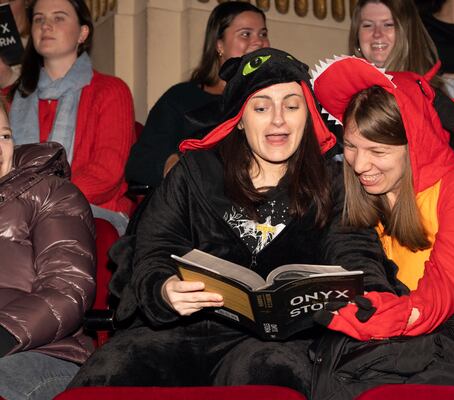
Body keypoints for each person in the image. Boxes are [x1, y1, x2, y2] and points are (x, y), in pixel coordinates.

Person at [68, 48, 401, 394]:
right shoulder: (194, 173)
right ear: (240, 118)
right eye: (261, 107)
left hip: (284, 342)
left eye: (291, 105)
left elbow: (355, 253)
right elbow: (154, 251)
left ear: (308, 114)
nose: (278, 121)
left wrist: (370, 298)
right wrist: (165, 290)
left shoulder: (331, 183)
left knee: (272, 371)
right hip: (184, 333)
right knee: (112, 370)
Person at [311, 56, 454, 339]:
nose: (358, 165)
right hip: (395, 334)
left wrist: (402, 315)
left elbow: (447, 283)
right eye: (352, 147)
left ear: (414, 145)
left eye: (377, 152)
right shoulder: (354, 189)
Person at [9, 0, 136, 235]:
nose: (46, 25)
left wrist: (41, 198)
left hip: (92, 215)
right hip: (16, 214)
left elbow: (106, 174)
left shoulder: (110, 91)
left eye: (58, 18)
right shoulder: (12, 98)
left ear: (83, 33)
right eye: (38, 19)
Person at [0, 103, 96, 400]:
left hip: (42, 350)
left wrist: (3, 333)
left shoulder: (51, 192)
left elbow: (68, 288)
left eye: (3, 136)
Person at [125, 1, 270, 189]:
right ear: (219, 45)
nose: (259, 41)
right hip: (198, 207)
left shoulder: (276, 101)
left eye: (263, 34)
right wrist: (174, 164)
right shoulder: (181, 98)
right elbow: (140, 164)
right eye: (245, 34)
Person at [349, 0, 454, 176]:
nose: (377, 34)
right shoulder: (346, 97)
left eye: (389, 24)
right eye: (367, 25)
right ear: (357, 37)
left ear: (407, 33)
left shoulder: (447, 92)